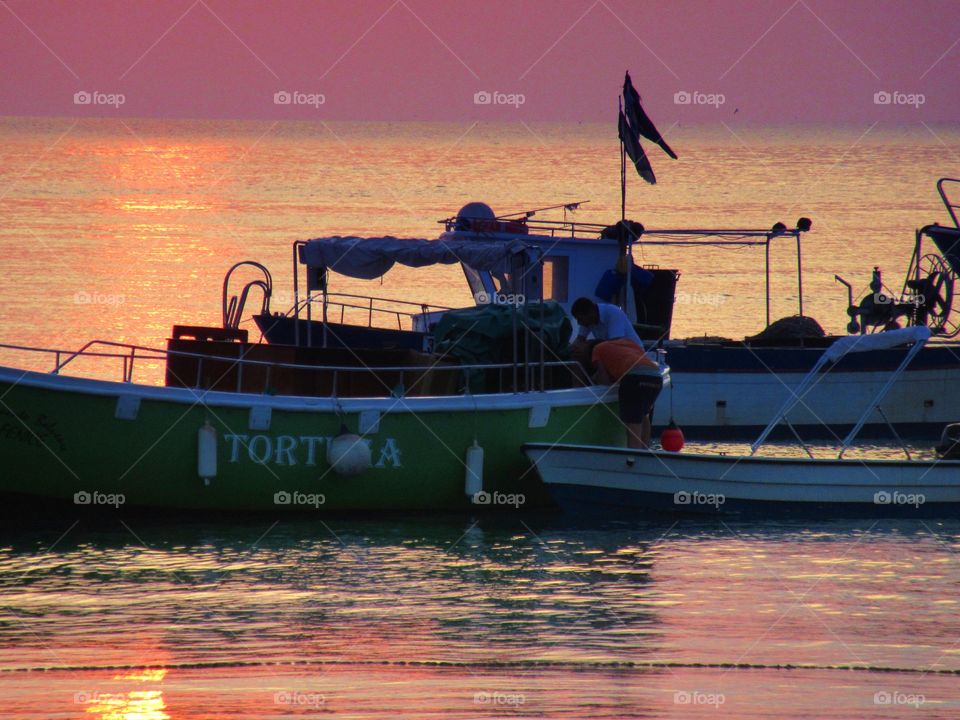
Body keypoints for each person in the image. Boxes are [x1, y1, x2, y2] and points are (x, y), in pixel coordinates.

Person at [591, 337, 663, 449]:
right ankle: (645, 451)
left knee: (633, 422)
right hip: (656, 377)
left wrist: (594, 378)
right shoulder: (629, 343)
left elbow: (604, 379)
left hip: (634, 377)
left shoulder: (597, 349)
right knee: (644, 414)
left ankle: (634, 456)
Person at [570, 297, 643, 348]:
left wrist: (589, 345)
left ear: (591, 313)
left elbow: (616, 343)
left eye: (580, 319)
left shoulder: (613, 312)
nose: (579, 323)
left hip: (634, 355)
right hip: (618, 354)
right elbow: (579, 340)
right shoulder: (587, 320)